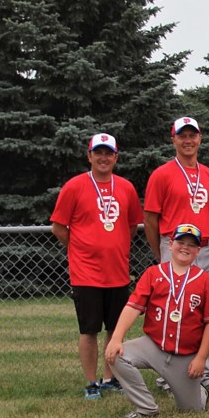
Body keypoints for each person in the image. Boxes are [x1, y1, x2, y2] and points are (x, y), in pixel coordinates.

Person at [50, 133, 142, 400]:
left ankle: (109, 378)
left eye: (109, 153)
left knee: (116, 329)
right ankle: (91, 382)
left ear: (116, 157)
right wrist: (81, 246)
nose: (104, 158)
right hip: (86, 273)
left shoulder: (125, 187)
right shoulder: (74, 186)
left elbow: (132, 225)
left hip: (117, 272)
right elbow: (59, 226)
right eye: (98, 152)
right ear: (89, 156)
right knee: (89, 329)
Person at [104, 224, 209, 418]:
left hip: (185, 356)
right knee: (117, 355)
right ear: (170, 244)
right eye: (180, 242)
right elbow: (133, 307)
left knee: (192, 411)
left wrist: (201, 358)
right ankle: (146, 408)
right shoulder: (154, 273)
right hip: (153, 346)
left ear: (198, 251)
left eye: (191, 245)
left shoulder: (204, 280)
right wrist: (116, 338)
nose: (185, 247)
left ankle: (201, 393)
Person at [144, 116, 209, 390]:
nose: (188, 140)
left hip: (205, 247)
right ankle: (166, 373)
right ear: (173, 139)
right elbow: (151, 218)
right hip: (174, 246)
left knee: (207, 310)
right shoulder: (162, 174)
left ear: (200, 139)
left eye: (193, 135)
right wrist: (161, 252)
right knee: (170, 308)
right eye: (182, 136)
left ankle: (206, 371)